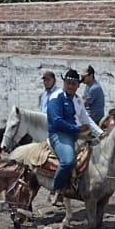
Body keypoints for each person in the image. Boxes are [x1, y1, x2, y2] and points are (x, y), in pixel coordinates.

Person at [46, 71, 101, 203]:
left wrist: (100, 133)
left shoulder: (77, 99)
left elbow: (85, 118)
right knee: (68, 161)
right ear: (64, 83)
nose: (71, 86)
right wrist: (76, 129)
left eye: (74, 84)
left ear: (78, 85)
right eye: (68, 83)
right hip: (59, 134)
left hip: (76, 133)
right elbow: (57, 121)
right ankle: (56, 189)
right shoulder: (55, 97)